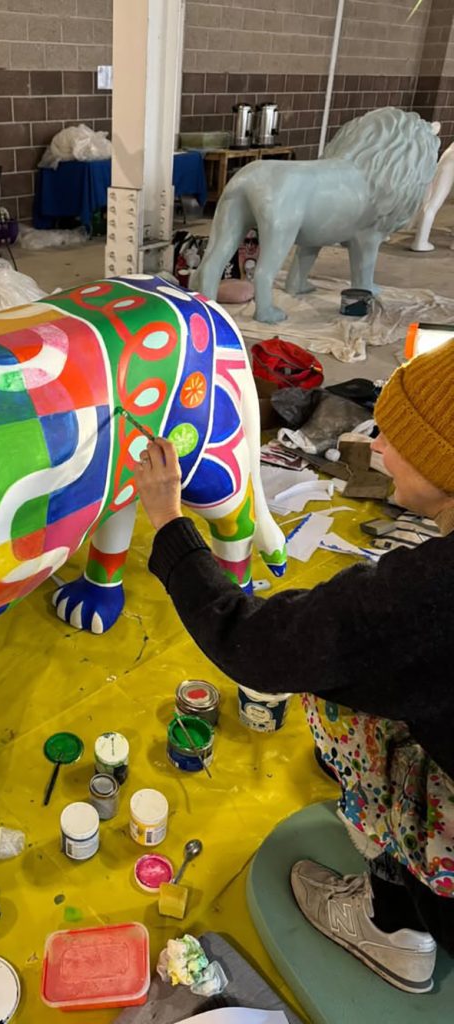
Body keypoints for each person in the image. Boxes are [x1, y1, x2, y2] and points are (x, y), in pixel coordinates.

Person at [133, 339, 454, 994]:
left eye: (398, 437)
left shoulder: (430, 593)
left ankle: (398, 927)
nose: (376, 446)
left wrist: (167, 520)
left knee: (334, 695)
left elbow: (259, 646)